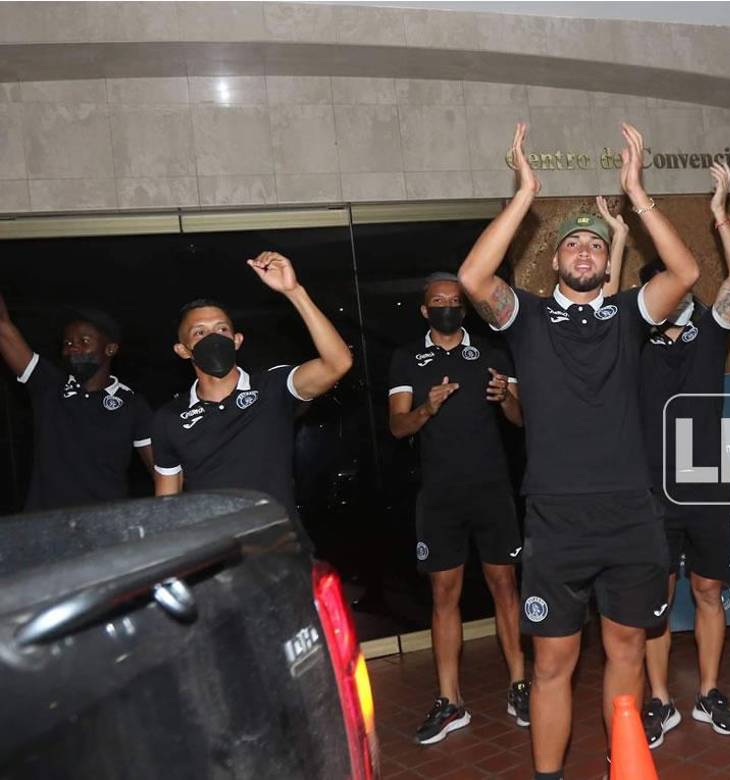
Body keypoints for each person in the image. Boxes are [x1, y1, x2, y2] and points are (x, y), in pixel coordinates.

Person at [458, 122, 698, 780]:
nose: (587, 251)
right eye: (575, 244)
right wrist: (524, 193)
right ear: (556, 260)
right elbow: (474, 275)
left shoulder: (628, 315)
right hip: (555, 519)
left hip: (629, 513)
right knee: (553, 663)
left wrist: (638, 193)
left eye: (595, 242)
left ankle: (624, 765)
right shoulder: (527, 317)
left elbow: (686, 271)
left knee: (625, 648)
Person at [626, 162, 730, 747]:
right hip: (651, 489)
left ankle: (708, 691)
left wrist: (721, 216)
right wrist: (625, 234)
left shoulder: (710, 327)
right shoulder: (633, 342)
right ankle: (659, 701)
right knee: (656, 601)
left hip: (707, 482)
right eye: (664, 290)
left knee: (707, 590)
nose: (675, 297)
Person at [387, 271, 529, 744]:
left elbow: (520, 418)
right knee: (443, 596)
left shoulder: (492, 354)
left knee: (505, 587)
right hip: (440, 496)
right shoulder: (407, 359)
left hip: (492, 490)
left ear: (463, 310)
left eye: (454, 299)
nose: (447, 305)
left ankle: (519, 686)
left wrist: (506, 396)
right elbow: (399, 427)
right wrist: (428, 407)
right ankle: (450, 702)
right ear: (426, 311)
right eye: (437, 301)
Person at [151, 251, 353, 518]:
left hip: (279, 546)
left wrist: (294, 292)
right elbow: (167, 505)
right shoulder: (169, 418)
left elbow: (338, 363)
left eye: (222, 329)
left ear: (237, 340)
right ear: (183, 350)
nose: (213, 337)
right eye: (200, 332)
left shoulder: (273, 387)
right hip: (215, 550)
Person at [0, 297, 153, 511]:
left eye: (84, 341)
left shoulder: (131, 404)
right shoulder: (48, 385)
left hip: (107, 525)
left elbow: (163, 471)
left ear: (110, 349)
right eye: (68, 343)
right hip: (45, 525)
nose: (73, 348)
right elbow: (3, 329)